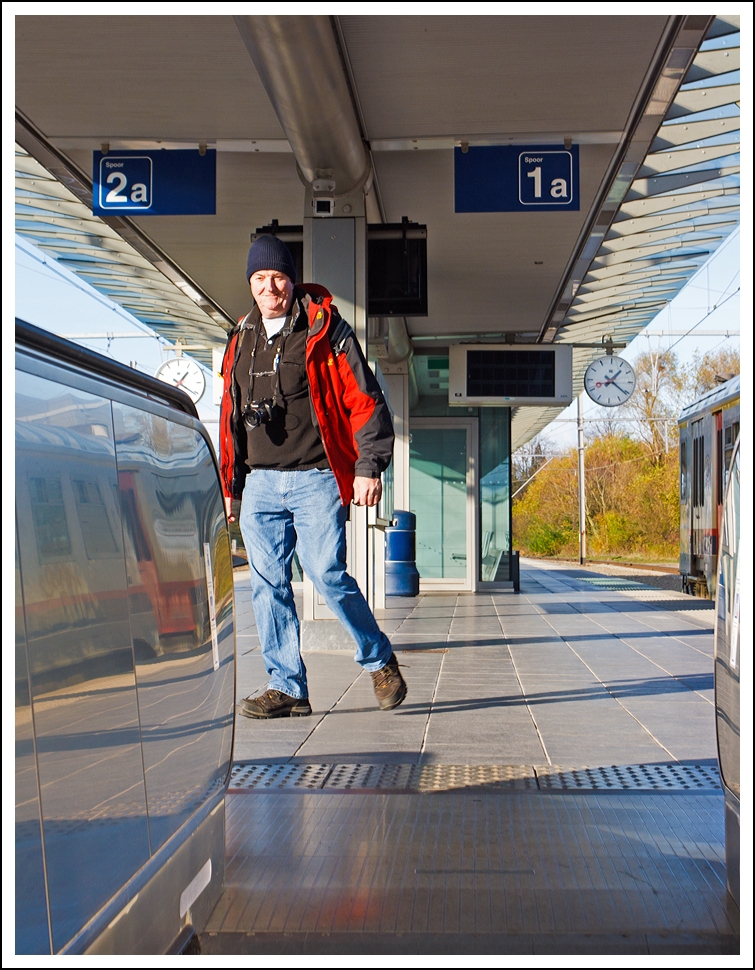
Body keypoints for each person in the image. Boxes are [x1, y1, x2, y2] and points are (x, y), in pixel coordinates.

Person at [219, 235, 407, 718]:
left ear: (292, 279)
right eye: (259, 278)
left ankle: (379, 658)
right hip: (260, 482)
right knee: (267, 585)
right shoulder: (240, 339)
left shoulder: (326, 329)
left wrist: (369, 465)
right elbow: (229, 417)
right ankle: (287, 687)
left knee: (325, 573)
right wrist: (231, 485)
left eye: (278, 277)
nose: (270, 287)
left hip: (317, 476)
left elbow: (363, 399)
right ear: (250, 283)